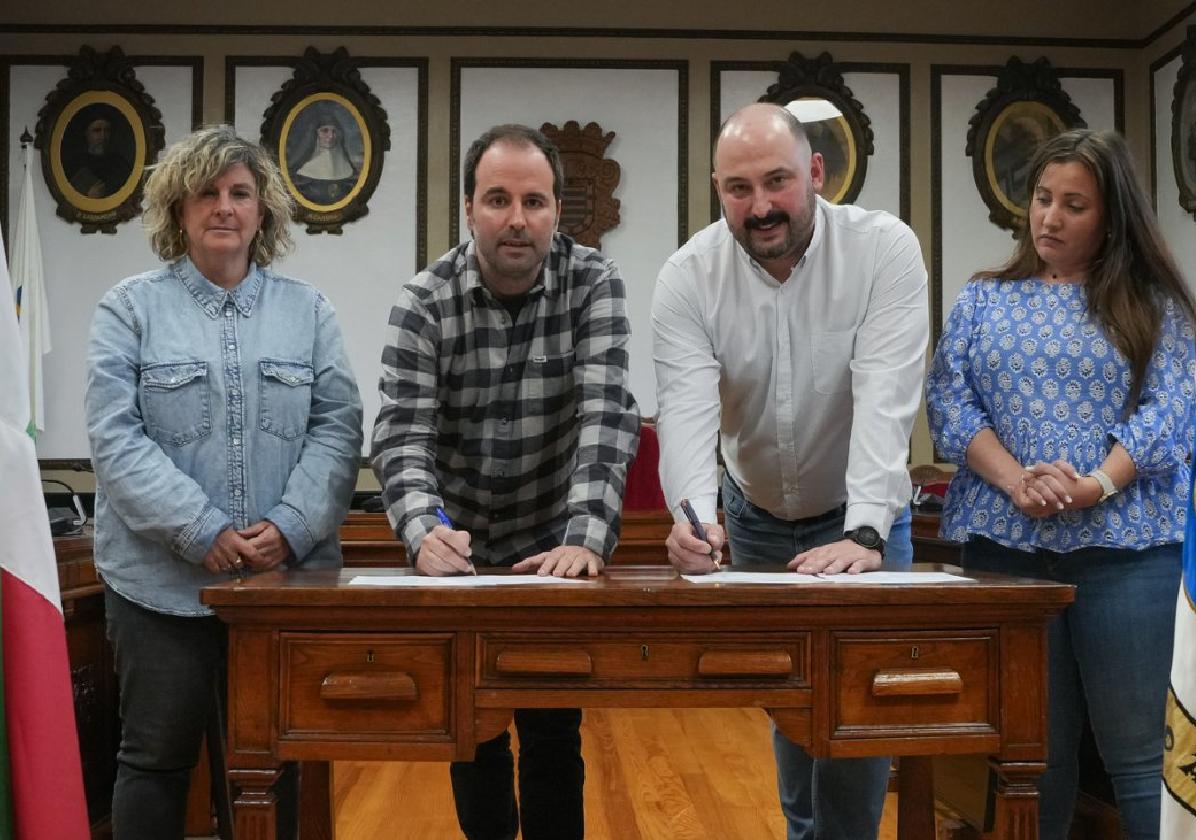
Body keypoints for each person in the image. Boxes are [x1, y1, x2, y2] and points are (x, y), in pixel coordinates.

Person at [651, 102, 928, 840]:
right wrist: (692, 523)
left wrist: (867, 531)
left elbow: (885, 398)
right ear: (718, 190)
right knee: (794, 703)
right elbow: (684, 411)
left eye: (778, 181)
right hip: (756, 515)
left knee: (855, 715)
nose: (761, 206)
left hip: (858, 512)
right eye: (739, 189)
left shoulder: (884, 251)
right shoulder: (687, 277)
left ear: (816, 173)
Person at [85, 125, 363, 840]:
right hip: (158, 587)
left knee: (276, 762)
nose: (223, 207)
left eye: (240, 193)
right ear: (178, 210)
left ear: (262, 211)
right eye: (206, 192)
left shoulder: (309, 312)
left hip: (283, 588)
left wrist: (293, 528)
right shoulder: (129, 309)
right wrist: (201, 530)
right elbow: (115, 441)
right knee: (154, 761)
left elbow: (338, 430)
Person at [370, 123, 640, 840]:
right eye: (497, 199)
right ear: (468, 209)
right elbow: (402, 434)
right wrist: (424, 530)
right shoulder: (423, 301)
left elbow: (607, 414)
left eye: (534, 201)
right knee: (475, 736)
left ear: (557, 211)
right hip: (459, 552)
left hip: (552, 550)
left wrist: (585, 538)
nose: (517, 219)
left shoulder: (593, 283)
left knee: (554, 736)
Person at [927, 128, 1196, 840]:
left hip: (1127, 554)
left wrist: (1094, 486)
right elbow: (951, 403)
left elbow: (1170, 413)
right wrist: (1018, 481)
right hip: (1008, 555)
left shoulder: (1154, 305)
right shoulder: (985, 301)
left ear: (1111, 217)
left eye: (1074, 205)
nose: (1049, 217)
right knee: (1029, 762)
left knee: (1138, 759)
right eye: (1043, 199)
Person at [291, 104, 359, 205]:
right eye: (325, 131)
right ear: (316, 134)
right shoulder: (301, 176)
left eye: (334, 131)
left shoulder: (350, 173)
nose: (331, 136)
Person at [68, 110, 133, 198]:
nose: (103, 136)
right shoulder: (74, 164)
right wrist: (88, 196)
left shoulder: (120, 164)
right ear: (86, 133)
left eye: (107, 130)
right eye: (97, 130)